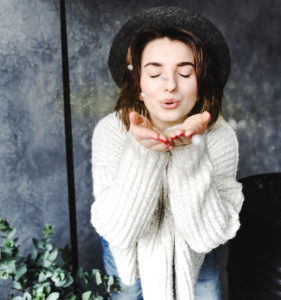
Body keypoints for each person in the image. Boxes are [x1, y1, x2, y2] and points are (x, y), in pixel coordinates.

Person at [90, 6, 244, 300]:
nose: (170, 85)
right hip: (128, 258)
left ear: (200, 86)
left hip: (197, 258)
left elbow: (209, 234)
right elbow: (119, 230)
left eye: (185, 72)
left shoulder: (220, 135)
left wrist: (190, 153)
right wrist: (143, 153)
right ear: (138, 85)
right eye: (155, 73)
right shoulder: (111, 131)